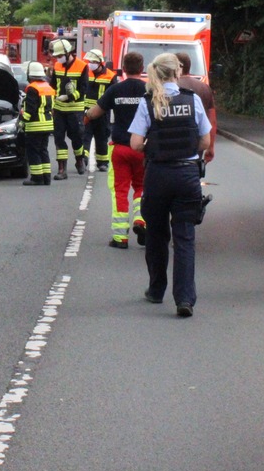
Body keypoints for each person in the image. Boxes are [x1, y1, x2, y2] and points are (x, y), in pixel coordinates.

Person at [129, 53, 212, 317]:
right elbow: (206, 141)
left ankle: (156, 290)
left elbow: (134, 143)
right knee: (185, 238)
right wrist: (188, 149)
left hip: (158, 176)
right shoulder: (192, 100)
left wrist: (152, 147)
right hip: (187, 176)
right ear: (177, 72)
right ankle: (184, 299)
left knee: (156, 234)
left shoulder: (149, 101)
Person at [86, 51, 148, 248]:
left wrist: (86, 114)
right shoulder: (149, 90)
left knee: (120, 191)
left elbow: (96, 112)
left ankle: (120, 237)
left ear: (123, 67)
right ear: (142, 68)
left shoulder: (115, 89)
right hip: (143, 149)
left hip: (120, 148)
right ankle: (142, 221)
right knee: (142, 187)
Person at [49, 37, 90, 179]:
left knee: (77, 137)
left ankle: (79, 160)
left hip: (75, 109)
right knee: (59, 138)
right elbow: (53, 85)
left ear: (68, 53)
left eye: (60, 56)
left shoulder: (82, 66)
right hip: (59, 109)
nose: (58, 59)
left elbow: (84, 88)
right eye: (57, 56)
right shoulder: (57, 66)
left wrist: (69, 97)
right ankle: (62, 169)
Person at [175, 51, 217, 164]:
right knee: (192, 174)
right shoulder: (204, 88)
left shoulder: (168, 86)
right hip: (195, 142)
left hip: (172, 143)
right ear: (189, 66)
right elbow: (211, 121)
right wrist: (210, 146)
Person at [81, 49, 117, 172]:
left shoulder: (111, 76)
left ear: (100, 62)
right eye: (90, 61)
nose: (91, 63)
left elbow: (113, 94)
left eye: (94, 61)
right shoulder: (86, 72)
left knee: (102, 137)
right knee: (84, 136)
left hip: (102, 113)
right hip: (86, 111)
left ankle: (102, 162)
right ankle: (83, 160)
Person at [20, 61, 55, 186]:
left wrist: (22, 120)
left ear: (30, 75)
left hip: (35, 126)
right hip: (47, 125)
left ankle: (36, 178)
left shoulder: (32, 88)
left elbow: (30, 109)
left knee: (33, 151)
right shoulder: (48, 87)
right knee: (43, 150)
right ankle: (46, 177)